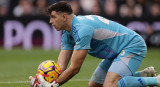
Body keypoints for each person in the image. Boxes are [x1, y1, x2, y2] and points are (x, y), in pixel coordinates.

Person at [29, 1, 160, 87]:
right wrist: (44, 80)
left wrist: (54, 85)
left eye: (53, 17)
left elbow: (75, 68)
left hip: (132, 45)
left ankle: (156, 81)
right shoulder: (67, 33)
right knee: (94, 86)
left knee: (110, 85)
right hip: (116, 53)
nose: (50, 21)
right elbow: (60, 67)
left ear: (64, 17)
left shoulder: (82, 29)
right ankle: (142, 75)